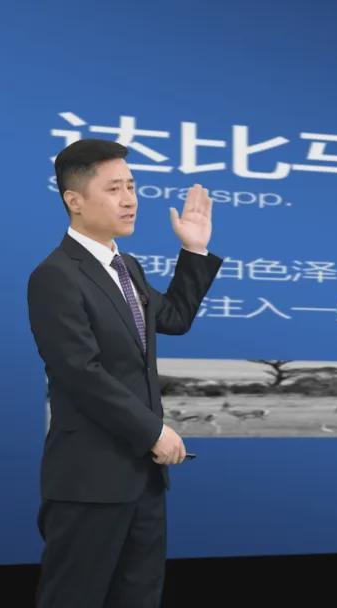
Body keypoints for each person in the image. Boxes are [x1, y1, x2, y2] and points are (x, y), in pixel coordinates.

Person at [27, 138, 223, 607]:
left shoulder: (127, 267)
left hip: (144, 479)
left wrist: (194, 251)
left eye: (132, 186)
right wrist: (152, 431)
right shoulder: (55, 275)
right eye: (114, 188)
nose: (130, 199)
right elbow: (80, 372)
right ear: (74, 200)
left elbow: (173, 318)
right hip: (90, 482)